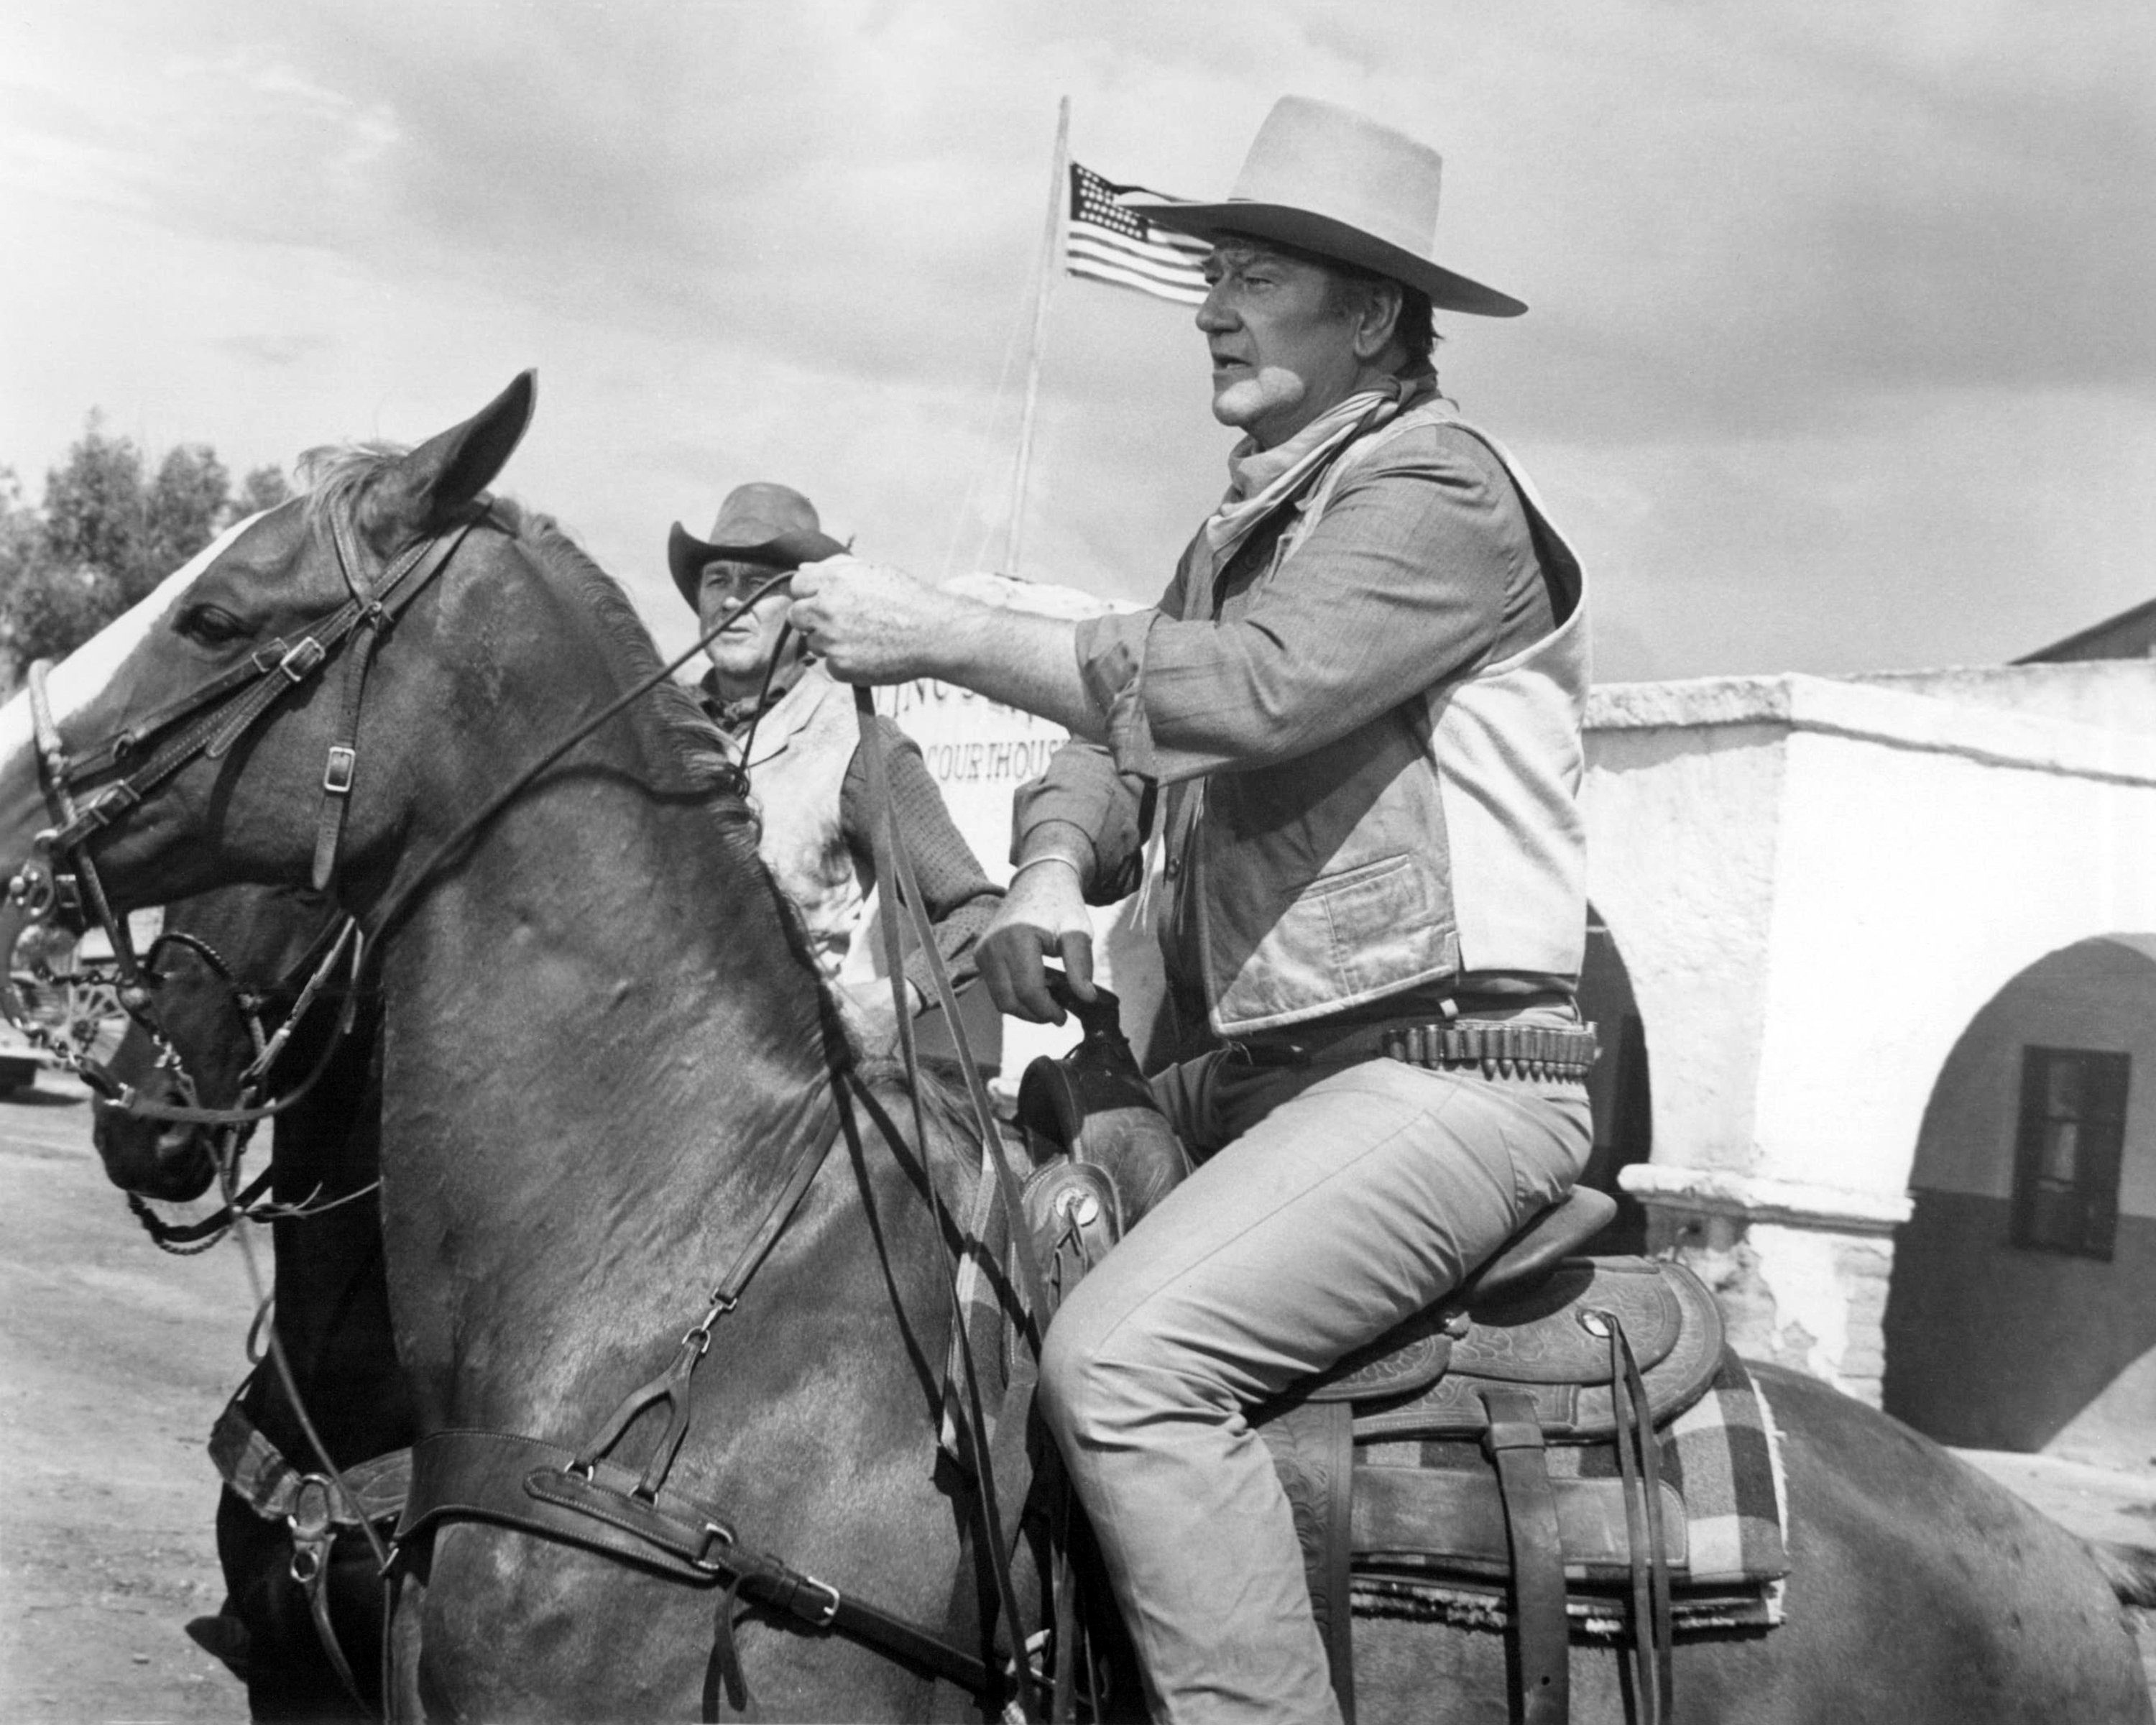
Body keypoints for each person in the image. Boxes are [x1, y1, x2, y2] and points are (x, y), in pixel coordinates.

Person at [791, 95, 1594, 1724]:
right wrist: (1040, 868)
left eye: (1248, 271)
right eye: (1207, 270)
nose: (1208, 304)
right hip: (1262, 1087)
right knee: (924, 1216)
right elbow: (1115, 733)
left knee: (1125, 1365)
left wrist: (936, 628)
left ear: (1369, 313)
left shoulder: (1437, 493)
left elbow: (1243, 693)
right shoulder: (1254, 523)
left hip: (1451, 1081)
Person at [668, 482, 1003, 1061]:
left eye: (758, 584)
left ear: (805, 604)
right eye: (717, 579)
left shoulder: (856, 743)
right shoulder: (655, 725)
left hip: (780, 1073)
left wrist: (897, 999)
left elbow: (979, 913)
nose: (730, 602)